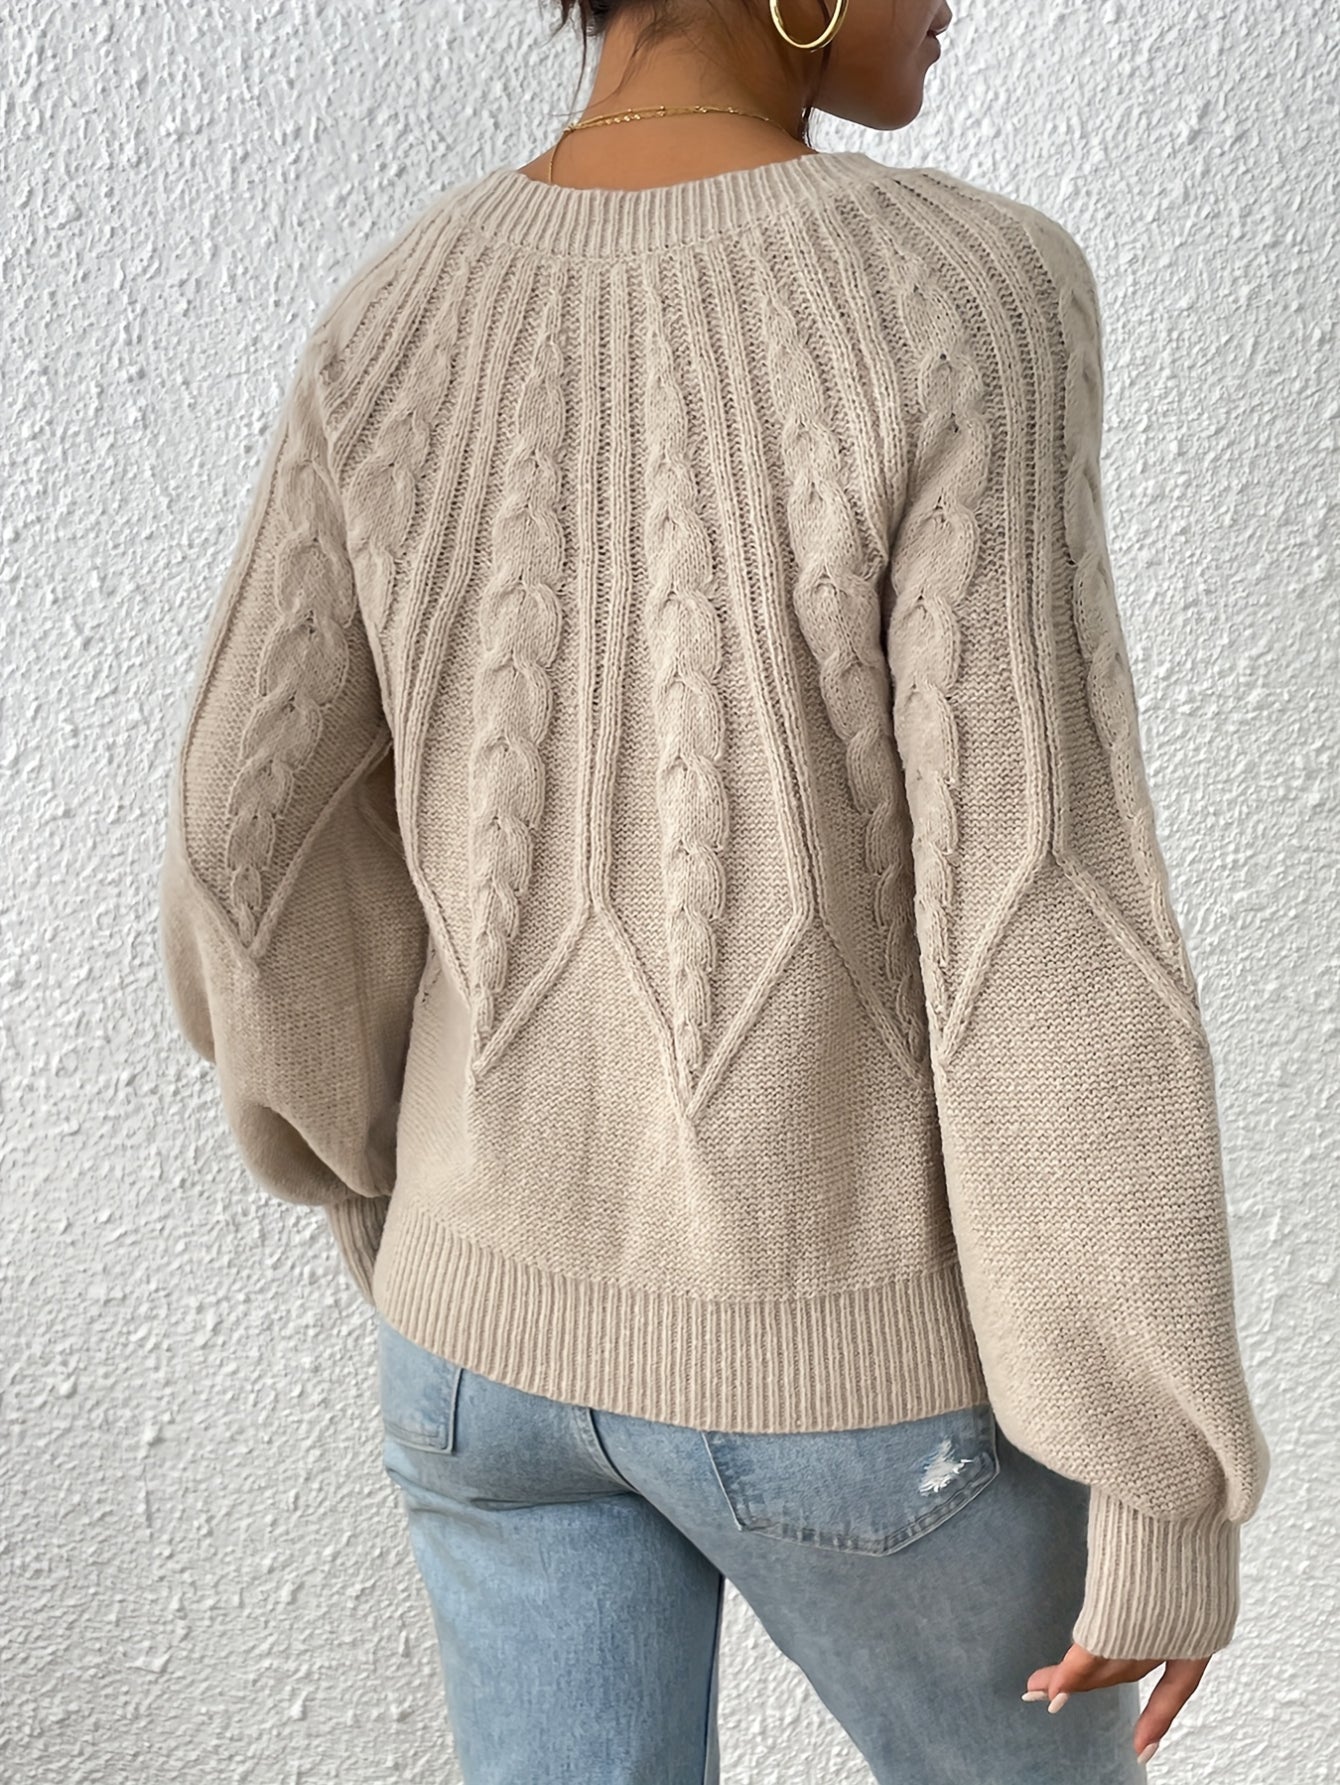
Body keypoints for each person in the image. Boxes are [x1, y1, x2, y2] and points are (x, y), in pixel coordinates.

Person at [156, 0, 1272, 1778]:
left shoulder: (396, 314)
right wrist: (1159, 1470)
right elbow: (1041, 908)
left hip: (475, 1356)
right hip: (846, 1372)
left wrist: (392, 1192)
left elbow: (241, 829)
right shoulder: (971, 295)